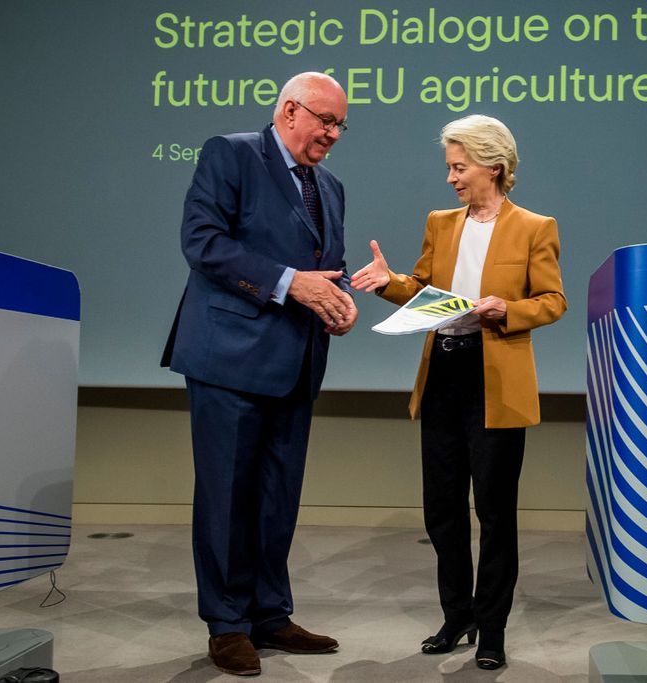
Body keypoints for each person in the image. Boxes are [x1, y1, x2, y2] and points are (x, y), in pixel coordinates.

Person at [160, 71, 357, 677]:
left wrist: (338, 300)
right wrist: (289, 283)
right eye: (324, 121)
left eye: (340, 126)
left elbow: (323, 265)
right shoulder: (231, 153)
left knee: (277, 496)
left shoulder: (331, 186)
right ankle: (227, 624)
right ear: (290, 111)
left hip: (296, 360)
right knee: (227, 495)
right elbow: (203, 243)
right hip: (228, 356)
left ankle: (270, 613)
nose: (332, 134)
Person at [351, 114, 566, 670]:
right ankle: (459, 616)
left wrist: (506, 310)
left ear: (492, 166)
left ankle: (491, 627)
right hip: (444, 373)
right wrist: (388, 282)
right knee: (442, 511)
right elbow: (421, 289)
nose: (451, 178)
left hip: (495, 378)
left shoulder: (535, 227)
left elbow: (551, 301)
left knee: (495, 513)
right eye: (449, 166)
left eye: (459, 166)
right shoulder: (441, 222)